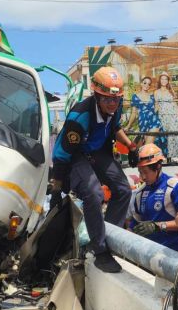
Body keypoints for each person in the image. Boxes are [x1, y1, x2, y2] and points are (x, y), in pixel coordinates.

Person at [50, 66, 138, 273]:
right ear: (96, 96)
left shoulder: (115, 108)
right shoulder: (79, 118)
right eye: (107, 99)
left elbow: (115, 128)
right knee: (94, 193)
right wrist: (56, 188)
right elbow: (61, 155)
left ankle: (108, 236)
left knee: (124, 190)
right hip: (76, 156)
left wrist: (132, 147)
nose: (112, 104)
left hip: (98, 151)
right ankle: (100, 251)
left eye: (116, 100)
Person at [129, 144, 178, 254]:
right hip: (147, 254)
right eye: (140, 172)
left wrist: (157, 226)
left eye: (145, 172)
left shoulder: (176, 187)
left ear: (158, 166)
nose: (142, 177)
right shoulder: (140, 193)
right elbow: (134, 225)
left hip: (174, 253)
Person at [127, 76, 166, 150]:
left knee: (147, 147)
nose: (146, 85)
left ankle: (146, 158)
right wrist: (128, 126)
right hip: (143, 123)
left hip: (154, 121)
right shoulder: (135, 97)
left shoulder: (152, 96)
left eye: (149, 84)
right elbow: (134, 113)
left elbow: (156, 108)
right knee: (148, 146)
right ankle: (146, 159)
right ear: (141, 83)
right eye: (145, 83)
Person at [153, 72, 178, 159]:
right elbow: (156, 105)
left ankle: (173, 157)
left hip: (173, 116)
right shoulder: (156, 92)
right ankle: (166, 156)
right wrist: (152, 117)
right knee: (165, 137)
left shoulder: (171, 91)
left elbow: (175, 105)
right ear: (160, 80)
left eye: (166, 79)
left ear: (168, 81)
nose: (164, 81)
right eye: (162, 79)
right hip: (163, 117)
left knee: (172, 136)